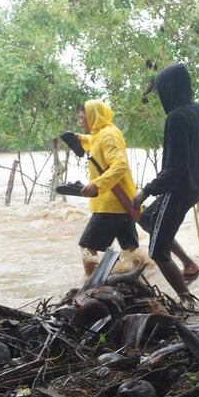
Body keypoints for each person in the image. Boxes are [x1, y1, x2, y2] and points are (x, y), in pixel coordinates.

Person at [132, 63, 199, 302]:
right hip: (196, 186)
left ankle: (187, 301)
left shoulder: (176, 118)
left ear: (170, 89)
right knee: (147, 219)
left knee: (157, 251)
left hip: (177, 190)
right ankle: (189, 264)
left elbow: (174, 169)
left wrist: (145, 192)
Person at [74, 100, 140, 275]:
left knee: (88, 247)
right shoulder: (102, 134)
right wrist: (80, 139)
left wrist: (97, 184)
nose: (80, 122)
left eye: (82, 118)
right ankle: (142, 281)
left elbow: (120, 165)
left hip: (111, 204)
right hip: (120, 204)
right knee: (131, 251)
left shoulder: (108, 135)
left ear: (93, 117)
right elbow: (95, 142)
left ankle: (91, 285)